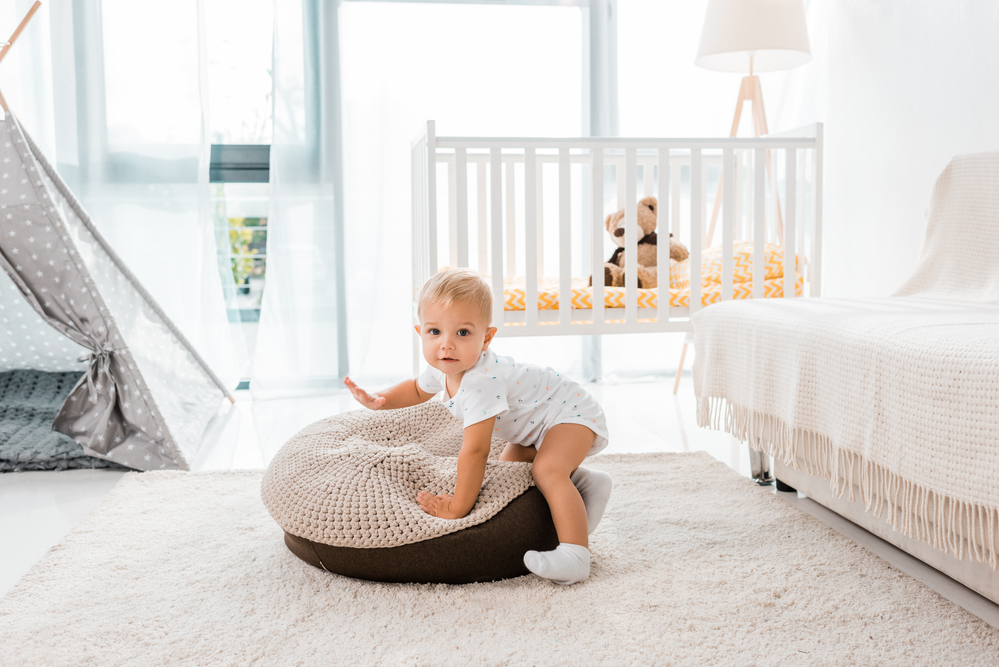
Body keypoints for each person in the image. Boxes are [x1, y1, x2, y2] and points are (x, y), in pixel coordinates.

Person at [344, 268, 612, 585]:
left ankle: (575, 556)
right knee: (509, 475)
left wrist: (458, 506)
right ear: (420, 332)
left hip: (569, 414)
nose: (446, 345)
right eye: (435, 332)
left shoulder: (481, 382)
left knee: (547, 471)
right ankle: (584, 485)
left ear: (486, 338)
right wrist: (380, 399)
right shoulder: (445, 367)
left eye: (462, 333)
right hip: (535, 427)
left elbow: (475, 451)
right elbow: (417, 389)